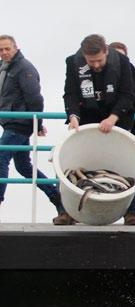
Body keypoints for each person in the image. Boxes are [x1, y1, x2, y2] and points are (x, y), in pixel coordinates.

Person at [63, 34, 135, 225]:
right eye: (91, 62)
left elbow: (128, 95)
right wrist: (73, 116)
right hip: (87, 116)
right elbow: (70, 93)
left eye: (99, 60)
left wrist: (113, 118)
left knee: (125, 162)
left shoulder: (122, 62)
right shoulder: (73, 63)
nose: (95, 65)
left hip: (117, 117)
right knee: (78, 160)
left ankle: (131, 211)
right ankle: (70, 210)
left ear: (106, 51)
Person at [0, 35, 72, 225]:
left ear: (16, 48)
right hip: (10, 122)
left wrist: (37, 124)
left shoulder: (24, 68)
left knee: (1, 158)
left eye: (7, 48)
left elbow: (35, 98)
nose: (4, 52)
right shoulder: (5, 67)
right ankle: (59, 201)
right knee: (24, 167)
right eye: (1, 50)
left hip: (19, 123)